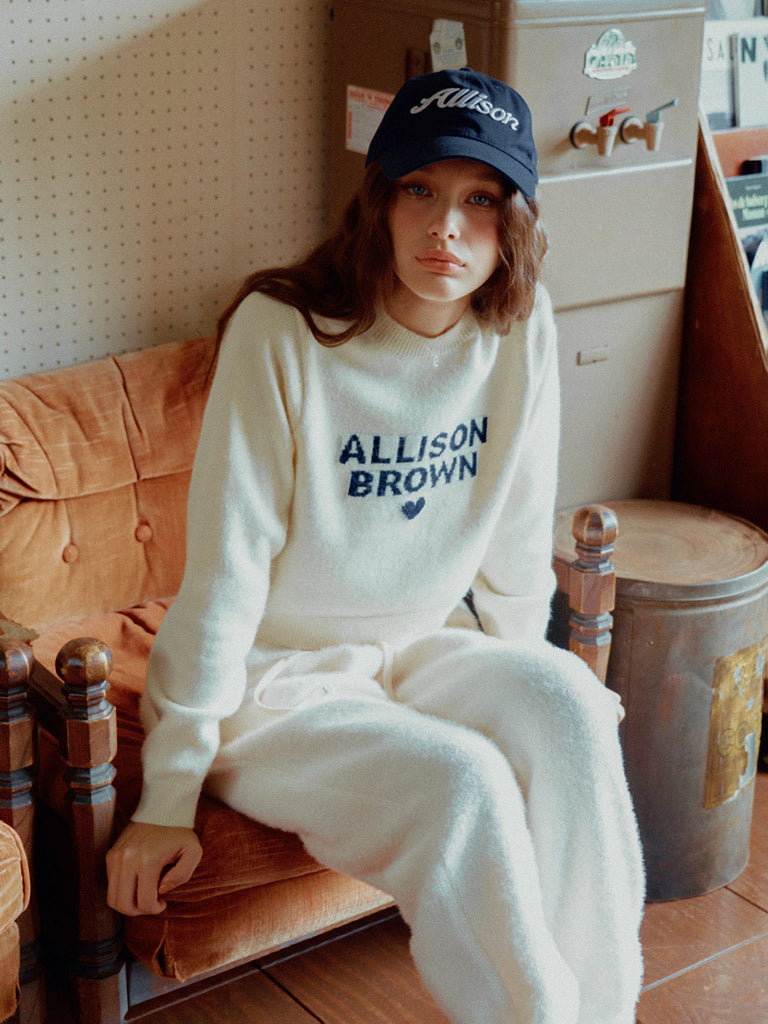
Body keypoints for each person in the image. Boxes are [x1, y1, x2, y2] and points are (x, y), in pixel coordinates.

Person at [106, 67, 645, 1024]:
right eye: (420, 190)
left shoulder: (518, 328)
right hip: (277, 683)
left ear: (516, 220)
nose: (446, 228)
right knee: (464, 782)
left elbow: (519, 538)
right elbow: (227, 574)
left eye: (481, 199)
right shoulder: (284, 333)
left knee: (570, 708)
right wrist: (168, 793)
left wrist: (528, 687)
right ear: (379, 202)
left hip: (426, 646)